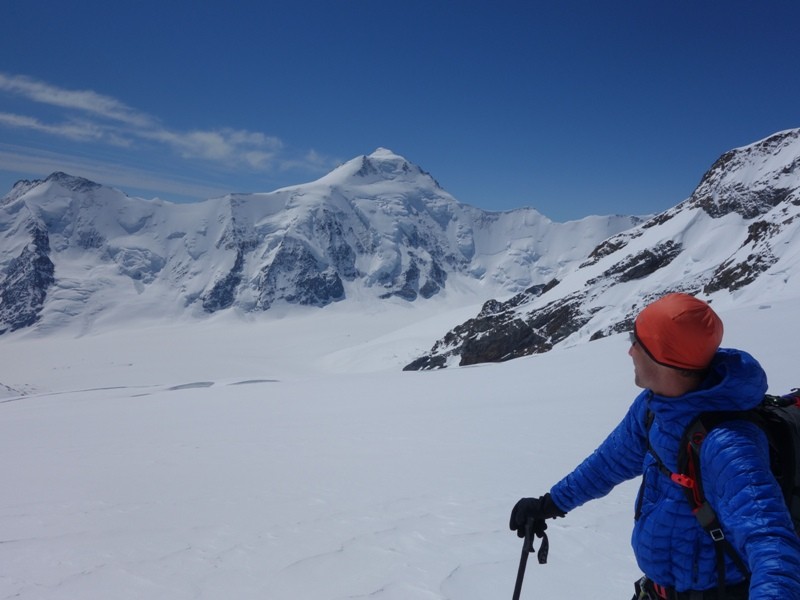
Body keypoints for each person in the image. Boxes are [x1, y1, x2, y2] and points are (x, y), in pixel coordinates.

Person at [509, 293, 800, 599]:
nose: (630, 351)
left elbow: (773, 547)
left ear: (666, 359)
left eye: (638, 343)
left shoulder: (727, 445)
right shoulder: (654, 409)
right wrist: (549, 504)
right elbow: (607, 465)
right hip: (658, 591)